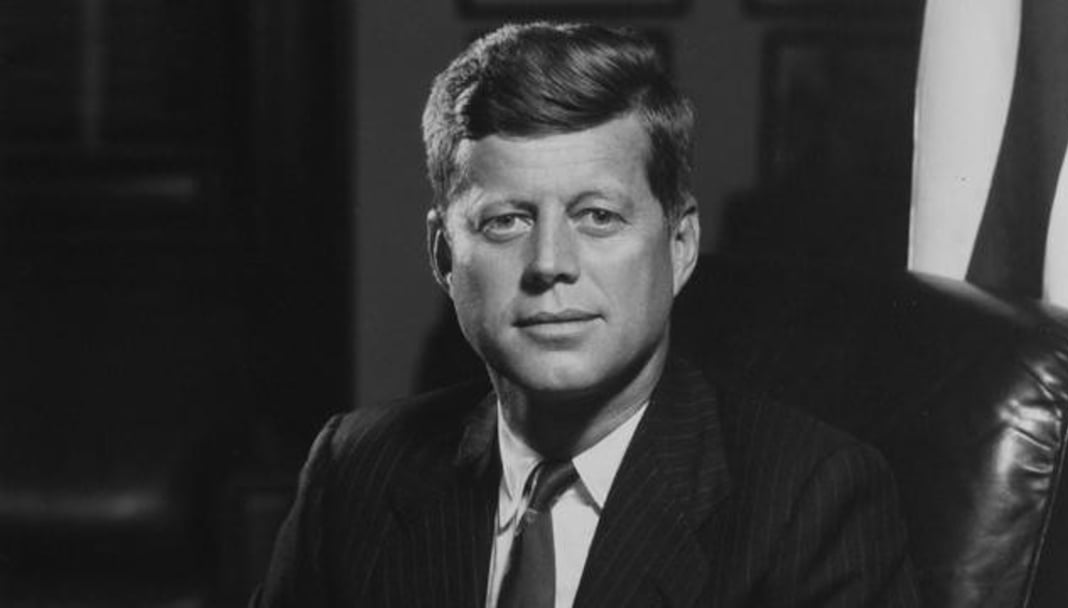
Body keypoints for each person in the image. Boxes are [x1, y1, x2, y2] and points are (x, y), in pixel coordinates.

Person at [253, 22, 918, 607]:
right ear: (444, 255)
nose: (550, 263)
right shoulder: (357, 469)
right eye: (507, 221)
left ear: (680, 246)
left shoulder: (810, 500)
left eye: (597, 217)